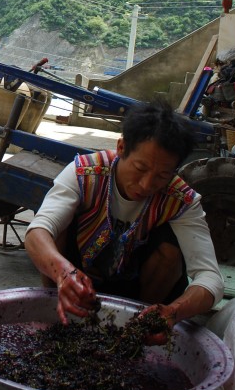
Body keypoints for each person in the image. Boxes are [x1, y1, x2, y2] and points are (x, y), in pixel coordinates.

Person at [24, 100, 223, 339]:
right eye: (140, 167)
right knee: (55, 231)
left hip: (138, 288)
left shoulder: (181, 200)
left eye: (162, 175)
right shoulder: (85, 173)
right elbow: (38, 231)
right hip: (79, 276)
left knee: (171, 248)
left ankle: (136, 326)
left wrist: (172, 312)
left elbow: (211, 278)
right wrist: (64, 274)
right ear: (121, 147)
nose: (146, 184)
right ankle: (58, 310)